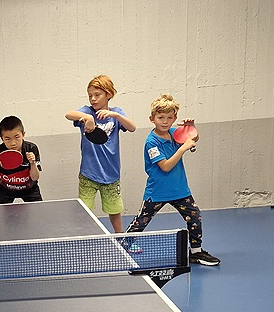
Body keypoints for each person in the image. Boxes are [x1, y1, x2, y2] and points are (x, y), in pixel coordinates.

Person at [125, 94, 220, 266]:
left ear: (175, 118)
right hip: (157, 192)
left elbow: (193, 138)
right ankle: (123, 247)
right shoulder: (151, 142)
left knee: (195, 218)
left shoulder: (174, 132)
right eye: (161, 117)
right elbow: (165, 166)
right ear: (152, 119)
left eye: (169, 118)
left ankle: (196, 252)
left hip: (180, 190)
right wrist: (182, 149)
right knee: (141, 222)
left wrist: (192, 128)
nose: (165, 121)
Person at [65, 75, 136, 232]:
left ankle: (120, 237)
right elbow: (68, 114)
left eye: (97, 95)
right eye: (90, 95)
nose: (93, 99)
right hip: (88, 173)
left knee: (114, 210)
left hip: (111, 173)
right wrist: (87, 117)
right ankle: (85, 238)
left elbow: (132, 128)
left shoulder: (116, 113)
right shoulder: (86, 111)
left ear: (108, 94)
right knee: (84, 211)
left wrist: (116, 116)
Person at [0, 115, 42, 203]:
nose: (13, 143)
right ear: (2, 139)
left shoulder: (31, 148)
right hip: (6, 190)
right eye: (7, 139)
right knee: (0, 212)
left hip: (30, 189)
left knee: (38, 211)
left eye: (17, 137)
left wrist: (33, 163)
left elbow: (35, 177)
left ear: (23, 134)